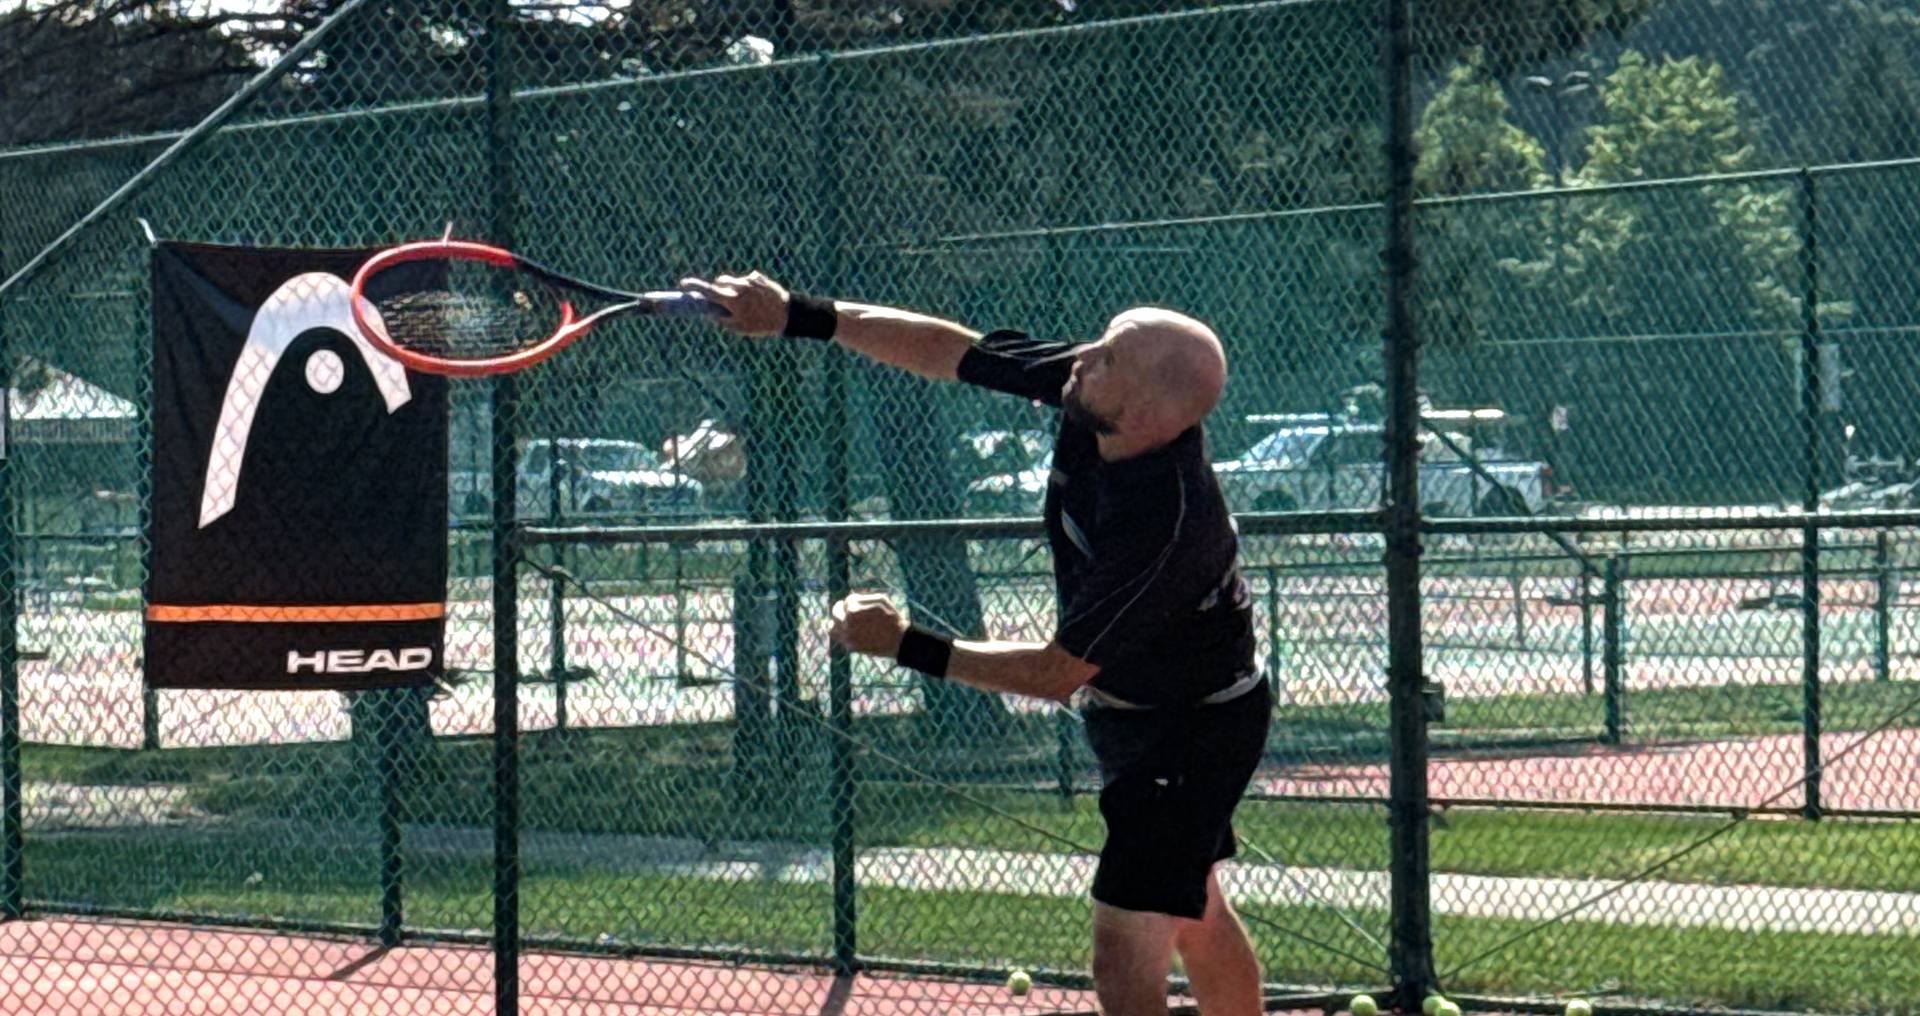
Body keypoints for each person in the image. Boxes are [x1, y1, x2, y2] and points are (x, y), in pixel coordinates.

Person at [680, 270, 1271, 1016]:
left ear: (1151, 411)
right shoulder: (1097, 393)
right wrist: (799, 316)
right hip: (1134, 712)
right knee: (1195, 910)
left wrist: (904, 644)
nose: (1083, 354)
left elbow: (1057, 672)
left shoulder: (1168, 525)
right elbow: (948, 349)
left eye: (1110, 355)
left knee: (1123, 958)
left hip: (1191, 734)